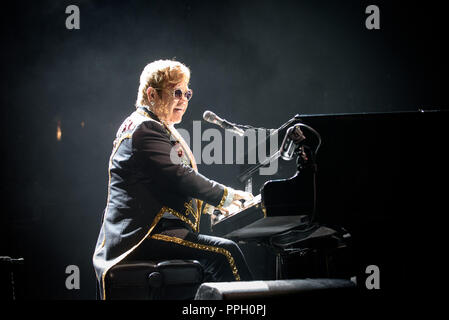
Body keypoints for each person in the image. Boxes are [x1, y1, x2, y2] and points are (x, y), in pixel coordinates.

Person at [93, 59, 254, 300]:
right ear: (152, 94)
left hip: (154, 230)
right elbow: (178, 176)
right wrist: (227, 196)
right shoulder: (145, 128)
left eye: (187, 93)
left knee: (218, 258)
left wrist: (213, 207)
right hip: (140, 237)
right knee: (226, 253)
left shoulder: (154, 126)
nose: (184, 100)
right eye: (176, 92)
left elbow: (166, 184)